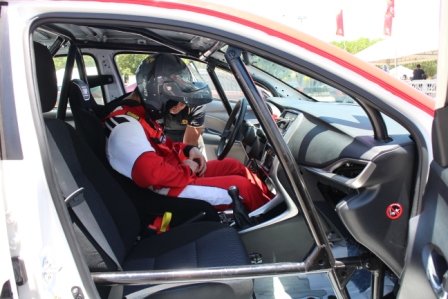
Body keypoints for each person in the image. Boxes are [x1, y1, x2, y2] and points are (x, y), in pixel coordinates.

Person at [103, 54, 272, 212]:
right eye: (177, 101)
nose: (180, 106)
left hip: (173, 174)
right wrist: (187, 170)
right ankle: (273, 225)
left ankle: (270, 202)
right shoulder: (125, 127)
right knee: (243, 187)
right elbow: (150, 175)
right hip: (164, 191)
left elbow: (162, 144)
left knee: (234, 166)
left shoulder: (140, 114)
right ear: (157, 94)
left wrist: (188, 150)